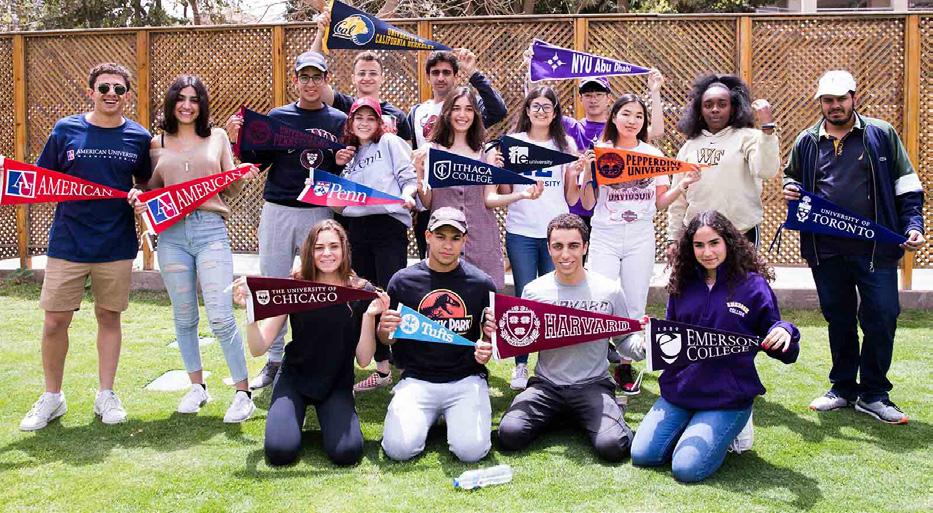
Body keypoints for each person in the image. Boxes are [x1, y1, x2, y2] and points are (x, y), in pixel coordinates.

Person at [783, 70, 925, 424]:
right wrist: (790, 189)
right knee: (839, 318)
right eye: (828, 100)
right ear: (820, 103)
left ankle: (874, 394)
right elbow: (792, 177)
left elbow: (907, 186)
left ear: (854, 98)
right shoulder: (806, 141)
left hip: (875, 249)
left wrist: (913, 225)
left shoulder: (881, 134)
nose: (835, 106)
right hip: (825, 249)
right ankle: (844, 388)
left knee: (883, 315)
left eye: (841, 99)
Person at [19, 63, 152, 431]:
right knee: (54, 321)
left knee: (109, 317)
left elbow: (146, 184)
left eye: (119, 89)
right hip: (69, 241)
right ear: (90, 91)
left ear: (127, 95)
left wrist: (140, 195)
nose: (111, 94)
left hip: (116, 243)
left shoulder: (139, 137)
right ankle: (52, 396)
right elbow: (42, 179)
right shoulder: (65, 130)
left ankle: (106, 394)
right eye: (104, 87)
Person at [630, 210, 800, 482]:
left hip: (726, 396)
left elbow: (779, 339)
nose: (707, 252)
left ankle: (730, 427)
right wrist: (653, 333)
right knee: (642, 455)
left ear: (728, 242)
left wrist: (784, 331)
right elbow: (674, 338)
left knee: (686, 469)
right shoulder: (682, 281)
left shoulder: (753, 286)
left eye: (714, 243)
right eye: (699, 245)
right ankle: (694, 424)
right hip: (681, 390)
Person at [127, 75, 257, 423]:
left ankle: (242, 393)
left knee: (221, 315)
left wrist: (239, 176)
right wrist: (140, 198)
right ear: (172, 103)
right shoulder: (156, 143)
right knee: (184, 316)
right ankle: (197, 386)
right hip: (171, 236)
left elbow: (229, 188)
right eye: (181, 98)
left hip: (210, 230)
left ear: (202, 105)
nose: (187, 105)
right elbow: (152, 189)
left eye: (194, 99)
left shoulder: (217, 137)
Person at [226, 50, 347, 390]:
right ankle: (275, 358)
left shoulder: (338, 121)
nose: (310, 83)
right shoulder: (278, 117)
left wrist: (341, 160)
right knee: (274, 284)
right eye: (304, 77)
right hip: (279, 208)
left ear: (326, 81)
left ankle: (317, 355)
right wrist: (237, 138)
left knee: (319, 286)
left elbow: (347, 168)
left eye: (316, 77)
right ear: (295, 81)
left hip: (318, 212)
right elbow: (256, 159)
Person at [234, 220, 389, 465]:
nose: (327, 253)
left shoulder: (359, 290)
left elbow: (363, 359)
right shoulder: (295, 286)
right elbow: (258, 348)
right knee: (280, 452)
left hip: (336, 381)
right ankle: (291, 420)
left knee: (347, 453)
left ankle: (335, 417)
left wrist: (370, 316)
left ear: (344, 249)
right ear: (309, 251)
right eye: (319, 247)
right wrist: (251, 314)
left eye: (333, 246)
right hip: (295, 377)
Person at [578, 94, 699, 394]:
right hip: (605, 234)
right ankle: (594, 366)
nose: (632, 121)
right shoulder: (600, 150)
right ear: (614, 117)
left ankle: (624, 365)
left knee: (633, 301)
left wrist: (682, 185)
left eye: (638, 116)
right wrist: (587, 173)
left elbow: (659, 203)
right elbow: (587, 204)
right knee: (600, 299)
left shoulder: (652, 154)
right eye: (626, 114)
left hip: (640, 237)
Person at [497, 213, 640, 462]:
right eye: (558, 246)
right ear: (549, 248)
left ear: (585, 247)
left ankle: (591, 414)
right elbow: (519, 339)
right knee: (509, 434)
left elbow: (624, 341)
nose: (565, 254)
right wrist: (495, 331)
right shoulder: (534, 291)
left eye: (573, 246)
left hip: (592, 384)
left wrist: (647, 344)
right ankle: (570, 415)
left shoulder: (609, 290)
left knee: (612, 446)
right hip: (546, 386)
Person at [376, 207, 496, 463]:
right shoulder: (402, 281)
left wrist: (486, 345)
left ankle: (453, 418)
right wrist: (384, 329)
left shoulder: (482, 283)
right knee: (398, 450)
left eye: (455, 238)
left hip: (466, 379)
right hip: (417, 380)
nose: (448, 245)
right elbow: (388, 338)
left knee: (471, 452)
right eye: (441, 236)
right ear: (428, 236)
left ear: (464, 240)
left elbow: (488, 338)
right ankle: (431, 418)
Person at [413, 86, 543, 292]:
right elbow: (429, 202)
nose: (462, 115)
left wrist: (521, 195)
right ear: (447, 112)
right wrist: (420, 175)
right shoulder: (432, 151)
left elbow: (489, 199)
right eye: (456, 108)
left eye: (468, 109)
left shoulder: (486, 152)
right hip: (446, 241)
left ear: (475, 114)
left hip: (481, 240)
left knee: (485, 299)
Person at [334, 97, 417, 393]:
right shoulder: (350, 155)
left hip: (388, 225)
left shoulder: (390, 142)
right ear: (351, 122)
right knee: (368, 297)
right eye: (359, 118)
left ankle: (406, 367)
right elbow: (340, 203)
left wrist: (408, 195)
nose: (364, 123)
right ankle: (382, 370)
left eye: (371, 118)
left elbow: (408, 177)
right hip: (358, 229)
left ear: (380, 122)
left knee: (393, 295)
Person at [504, 86, 582, 391]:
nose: (540, 111)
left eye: (547, 106)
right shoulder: (514, 143)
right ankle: (521, 364)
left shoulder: (566, 144)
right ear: (527, 110)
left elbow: (571, 197)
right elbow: (506, 192)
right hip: (521, 231)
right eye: (535, 105)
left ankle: (553, 364)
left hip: (556, 235)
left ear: (555, 112)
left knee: (556, 297)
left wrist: (577, 173)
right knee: (525, 297)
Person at [409, 49, 508, 260]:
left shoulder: (466, 108)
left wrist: (473, 72)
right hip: (430, 201)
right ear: (427, 77)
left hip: (467, 202)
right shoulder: (416, 112)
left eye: (446, 72)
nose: (441, 78)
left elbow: (498, 110)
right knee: (433, 262)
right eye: (435, 73)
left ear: (455, 76)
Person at [666, 74, 779, 250]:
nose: (715, 109)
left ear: (733, 108)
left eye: (722, 104)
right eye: (708, 105)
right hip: (699, 237)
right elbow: (678, 198)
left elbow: (766, 171)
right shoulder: (689, 147)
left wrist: (767, 129)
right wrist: (673, 238)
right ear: (700, 110)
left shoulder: (750, 138)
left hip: (741, 233)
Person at [310, 10, 412, 141]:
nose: (367, 78)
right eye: (362, 73)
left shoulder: (397, 116)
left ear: (382, 78)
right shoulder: (342, 105)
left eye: (373, 73)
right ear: (353, 78)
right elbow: (313, 70)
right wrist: (321, 33)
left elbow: (406, 152)